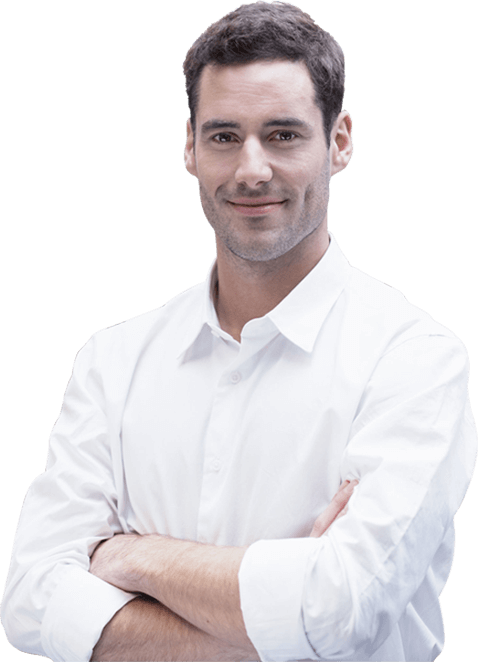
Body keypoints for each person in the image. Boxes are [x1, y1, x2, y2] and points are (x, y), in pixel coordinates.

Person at [2, 2, 476, 661]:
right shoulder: (114, 361)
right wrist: (284, 619)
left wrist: (133, 556)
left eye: (283, 135)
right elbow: (31, 601)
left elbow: (345, 610)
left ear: (339, 141)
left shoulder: (412, 360)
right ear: (190, 147)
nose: (252, 170)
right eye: (225, 136)